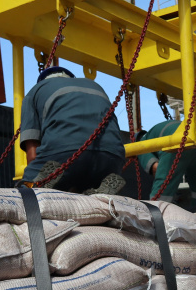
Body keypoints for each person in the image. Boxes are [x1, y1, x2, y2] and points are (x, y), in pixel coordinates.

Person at [19, 66, 126, 194]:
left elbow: (32, 153)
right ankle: (99, 186)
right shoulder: (95, 86)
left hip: (63, 152)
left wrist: (35, 174)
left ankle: (42, 183)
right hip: (113, 156)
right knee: (81, 184)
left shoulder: (35, 92)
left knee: (25, 192)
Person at [137, 120, 196, 211]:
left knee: (162, 190)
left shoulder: (140, 145)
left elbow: (156, 168)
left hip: (178, 142)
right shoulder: (156, 131)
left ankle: (157, 212)